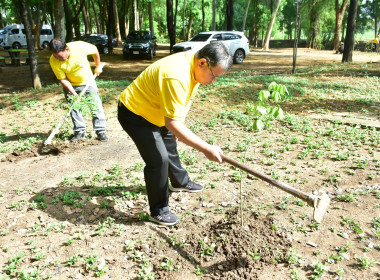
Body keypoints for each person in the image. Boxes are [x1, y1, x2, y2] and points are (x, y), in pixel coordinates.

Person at [117, 42, 232, 226]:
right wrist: (206, 148)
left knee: (170, 143)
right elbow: (172, 122)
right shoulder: (177, 75)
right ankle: (159, 210)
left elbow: (182, 104)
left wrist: (177, 125)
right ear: (203, 63)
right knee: (158, 160)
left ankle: (179, 181)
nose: (213, 81)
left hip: (157, 111)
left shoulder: (193, 66)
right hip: (135, 113)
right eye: (214, 75)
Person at [49, 38, 108, 142]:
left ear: (67, 49)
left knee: (95, 105)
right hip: (71, 85)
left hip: (88, 82)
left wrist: (98, 66)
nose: (58, 59)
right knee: (74, 108)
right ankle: (80, 132)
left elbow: (95, 50)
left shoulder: (79, 46)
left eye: (60, 56)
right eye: (56, 56)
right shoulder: (53, 60)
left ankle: (100, 131)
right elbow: (63, 79)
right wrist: (74, 94)